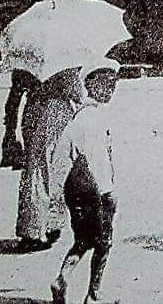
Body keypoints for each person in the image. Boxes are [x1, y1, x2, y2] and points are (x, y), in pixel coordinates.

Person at [49, 58, 120, 304]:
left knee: (82, 240)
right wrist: (109, 191)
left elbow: (62, 158)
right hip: (100, 190)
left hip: (77, 190)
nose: (110, 89)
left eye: (113, 84)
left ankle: (62, 278)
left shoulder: (76, 119)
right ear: (90, 86)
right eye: (104, 84)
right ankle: (93, 294)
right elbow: (102, 160)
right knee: (104, 243)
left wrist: (59, 196)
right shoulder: (98, 118)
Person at [16, 66, 85, 250]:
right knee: (55, 167)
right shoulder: (66, 59)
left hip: (33, 110)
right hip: (56, 113)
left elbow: (16, 90)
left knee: (35, 168)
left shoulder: (30, 58)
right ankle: (49, 225)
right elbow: (77, 92)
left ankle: (35, 226)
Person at [0, 68, 41, 170]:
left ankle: (12, 153)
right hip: (27, 70)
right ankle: (17, 154)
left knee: (13, 111)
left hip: (22, 69)